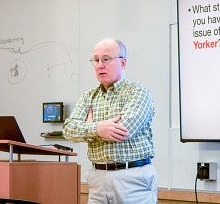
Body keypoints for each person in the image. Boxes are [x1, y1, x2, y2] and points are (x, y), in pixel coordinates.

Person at [63, 38, 157, 204]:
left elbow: (122, 130)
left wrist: (87, 128)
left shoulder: (138, 92)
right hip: (97, 179)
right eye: (96, 60)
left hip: (132, 179)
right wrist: (97, 128)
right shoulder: (88, 97)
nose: (99, 65)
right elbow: (69, 129)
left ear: (123, 63)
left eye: (106, 59)